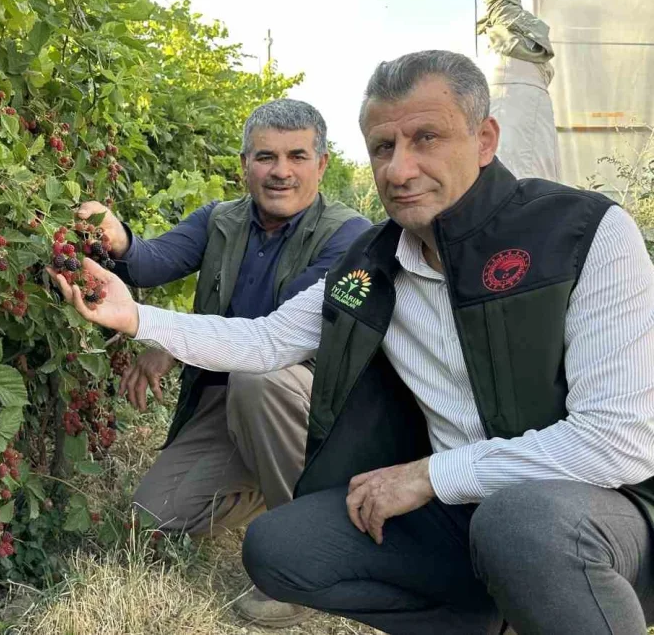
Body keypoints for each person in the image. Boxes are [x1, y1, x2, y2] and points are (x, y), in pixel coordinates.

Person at [49, 49, 654, 634]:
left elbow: (619, 441)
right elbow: (265, 341)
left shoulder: (585, 235)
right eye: (384, 147)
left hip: (605, 511)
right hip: (456, 515)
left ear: (486, 139)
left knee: (521, 522)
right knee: (281, 548)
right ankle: (477, 619)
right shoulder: (372, 265)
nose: (399, 169)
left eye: (427, 139)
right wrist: (135, 319)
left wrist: (427, 477)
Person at [75, 98, 371, 627]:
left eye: (297, 156)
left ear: (322, 164)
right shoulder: (220, 219)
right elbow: (153, 259)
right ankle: (268, 479)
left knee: (260, 382)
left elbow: (274, 336)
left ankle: (306, 563)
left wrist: (164, 340)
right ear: (244, 165)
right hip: (229, 399)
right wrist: (118, 240)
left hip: (304, 403)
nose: (281, 171)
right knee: (149, 520)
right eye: (265, 157)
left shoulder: (347, 236)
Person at [475, 0, 562, 181]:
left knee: (515, 172)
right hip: (524, 113)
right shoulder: (522, 49)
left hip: (512, 109)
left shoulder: (506, 49)